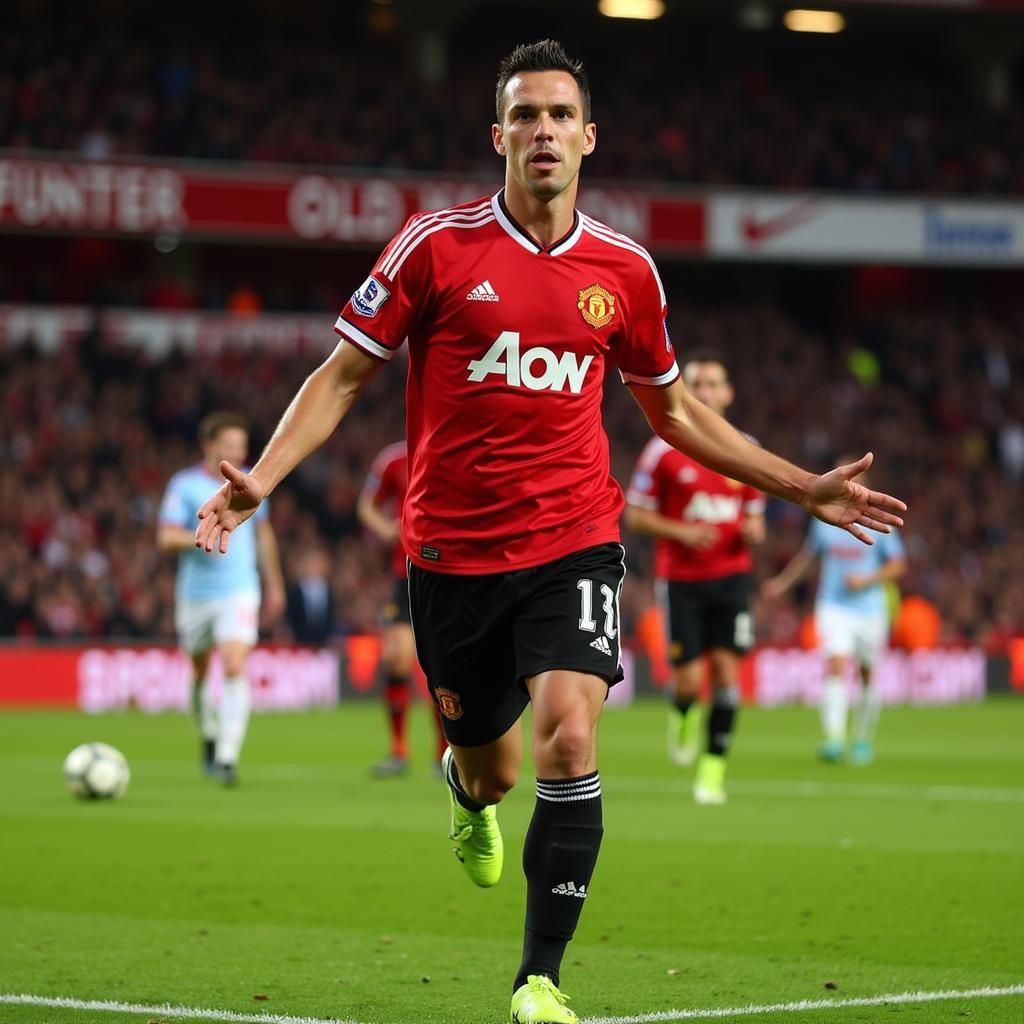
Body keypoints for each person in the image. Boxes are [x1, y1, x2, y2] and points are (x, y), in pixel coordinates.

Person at [193, 40, 905, 1023]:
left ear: (588, 138)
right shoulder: (432, 248)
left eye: (559, 115)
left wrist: (798, 486)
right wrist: (261, 478)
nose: (542, 131)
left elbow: (676, 414)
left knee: (571, 740)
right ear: (497, 136)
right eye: (524, 115)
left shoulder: (625, 271)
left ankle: (539, 978)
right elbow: (343, 375)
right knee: (495, 768)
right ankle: (464, 785)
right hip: (449, 556)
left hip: (574, 537)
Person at [625, 350, 764, 805]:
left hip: (731, 577)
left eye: (712, 384)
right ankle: (682, 710)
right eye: (696, 384)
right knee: (688, 681)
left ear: (728, 393)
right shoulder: (662, 449)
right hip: (681, 580)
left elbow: (756, 518)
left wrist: (753, 529)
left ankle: (712, 771)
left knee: (727, 673)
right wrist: (682, 530)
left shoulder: (748, 449)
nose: (704, 391)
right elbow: (635, 515)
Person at [158, 411, 285, 785]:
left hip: (240, 590)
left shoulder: (251, 483)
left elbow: (264, 535)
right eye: (228, 446)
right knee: (198, 672)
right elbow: (165, 537)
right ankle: (209, 735)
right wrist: (201, 536)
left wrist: (275, 584)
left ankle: (227, 757)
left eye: (240, 447)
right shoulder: (184, 486)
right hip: (195, 596)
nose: (236, 453)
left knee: (233, 665)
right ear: (208, 446)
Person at [762, 458, 907, 765]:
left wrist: (867, 579)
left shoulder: (875, 519)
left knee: (868, 674)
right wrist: (782, 584)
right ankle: (834, 738)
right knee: (836, 666)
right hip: (833, 605)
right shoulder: (825, 519)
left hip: (870, 608)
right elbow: (807, 558)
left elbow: (898, 566)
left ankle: (863, 739)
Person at [356, 439, 447, 778]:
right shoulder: (393, 458)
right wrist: (389, 532)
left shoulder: (456, 448)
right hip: (405, 574)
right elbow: (366, 506)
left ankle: (444, 754)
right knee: (395, 657)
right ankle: (398, 751)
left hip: (448, 574)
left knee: (441, 668)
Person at [286, 546, 335, 647]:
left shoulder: (330, 590)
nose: (315, 567)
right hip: (299, 643)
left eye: (319, 563)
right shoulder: (294, 591)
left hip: (324, 644)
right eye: (312, 563)